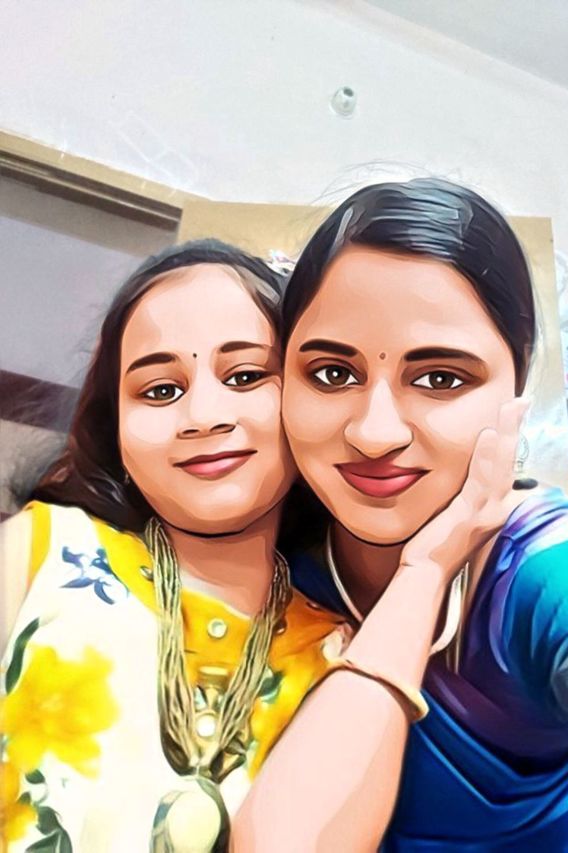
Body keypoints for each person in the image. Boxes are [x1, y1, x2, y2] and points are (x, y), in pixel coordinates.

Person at [233, 179, 568, 851]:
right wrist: (424, 572)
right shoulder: (278, 562)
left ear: (517, 390)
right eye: (332, 373)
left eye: (441, 378)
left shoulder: (554, 567)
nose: (374, 433)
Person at [0, 239, 350, 852]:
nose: (204, 416)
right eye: (161, 390)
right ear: (115, 428)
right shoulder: (39, 552)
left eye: (245, 376)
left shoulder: (341, 656)